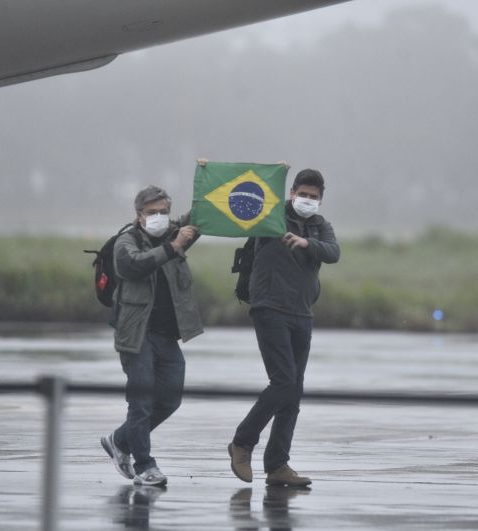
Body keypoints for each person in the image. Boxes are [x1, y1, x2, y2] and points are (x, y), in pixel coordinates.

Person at [228, 169, 340, 487]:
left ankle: (277, 465)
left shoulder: (320, 227)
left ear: (320, 199)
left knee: (293, 392)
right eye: (302, 194)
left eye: (314, 197)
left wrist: (307, 243)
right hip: (269, 308)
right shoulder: (271, 218)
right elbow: (239, 208)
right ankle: (242, 442)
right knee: (283, 382)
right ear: (291, 193)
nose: (307, 201)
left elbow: (334, 253)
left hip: (302, 313)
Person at [101, 185, 203, 487]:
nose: (158, 217)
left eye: (163, 212)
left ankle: (119, 440)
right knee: (141, 402)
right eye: (151, 213)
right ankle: (145, 465)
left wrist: (212, 186)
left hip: (167, 336)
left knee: (170, 399)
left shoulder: (176, 233)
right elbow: (132, 264)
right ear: (139, 215)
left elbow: (198, 219)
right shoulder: (126, 241)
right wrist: (173, 247)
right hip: (136, 334)